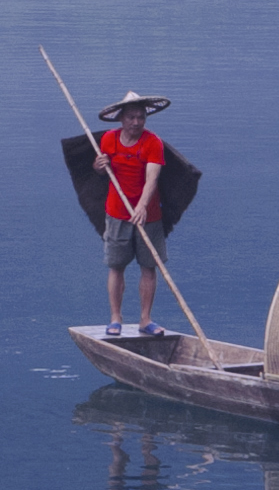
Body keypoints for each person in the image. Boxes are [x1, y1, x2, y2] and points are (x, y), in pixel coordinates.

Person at [65, 91, 196, 335]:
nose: (136, 122)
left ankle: (145, 320)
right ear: (122, 119)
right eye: (131, 117)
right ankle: (116, 319)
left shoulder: (152, 143)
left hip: (149, 214)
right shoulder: (108, 140)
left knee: (149, 266)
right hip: (116, 213)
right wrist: (98, 166)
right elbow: (101, 170)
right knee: (116, 266)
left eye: (140, 117)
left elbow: (152, 178)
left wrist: (142, 206)